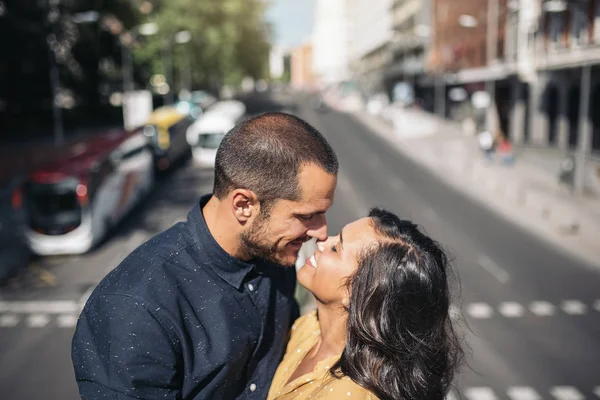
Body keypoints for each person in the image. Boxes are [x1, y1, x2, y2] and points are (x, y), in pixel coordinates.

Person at [71, 112, 339, 399]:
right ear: (244, 205)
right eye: (307, 216)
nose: (321, 232)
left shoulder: (276, 255)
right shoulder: (135, 308)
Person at [267, 208, 464, 400]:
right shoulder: (309, 325)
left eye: (336, 249)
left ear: (358, 293)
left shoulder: (350, 393)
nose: (323, 242)